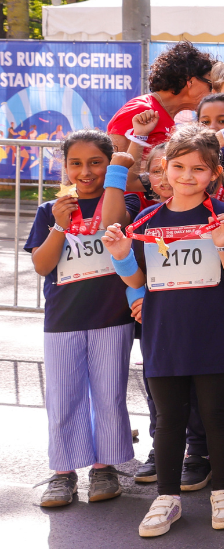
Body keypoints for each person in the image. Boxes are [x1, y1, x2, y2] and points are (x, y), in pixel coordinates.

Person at [102, 125, 224, 536]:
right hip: (164, 335)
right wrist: (120, 256)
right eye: (179, 166)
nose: (188, 176)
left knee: (216, 416)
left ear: (214, 174)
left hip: (213, 332)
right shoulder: (149, 219)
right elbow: (139, 280)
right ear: (165, 169)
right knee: (169, 419)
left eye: (199, 169)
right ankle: (166, 497)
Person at [31, 131, 138, 507]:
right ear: (64, 167)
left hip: (112, 316)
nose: (85, 171)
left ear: (109, 165)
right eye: (75, 163)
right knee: (63, 397)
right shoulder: (51, 209)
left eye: (95, 162)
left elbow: (120, 226)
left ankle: (104, 467)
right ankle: (62, 473)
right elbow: (43, 264)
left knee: (108, 395)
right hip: (63, 319)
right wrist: (60, 225)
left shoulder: (124, 203)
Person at [107, 41, 216, 154]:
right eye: (211, 85)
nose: (214, 93)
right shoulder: (141, 109)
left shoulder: (165, 115)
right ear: (190, 81)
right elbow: (113, 163)